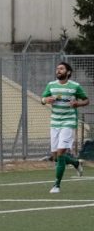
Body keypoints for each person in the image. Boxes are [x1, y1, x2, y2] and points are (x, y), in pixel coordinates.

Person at [42, 62, 88, 193]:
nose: (58, 70)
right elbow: (42, 99)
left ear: (68, 72)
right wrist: (46, 100)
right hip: (55, 122)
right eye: (57, 69)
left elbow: (86, 100)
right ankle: (76, 163)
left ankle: (57, 185)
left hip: (68, 122)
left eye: (61, 69)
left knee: (61, 152)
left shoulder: (75, 86)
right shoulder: (51, 85)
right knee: (56, 156)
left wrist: (77, 104)